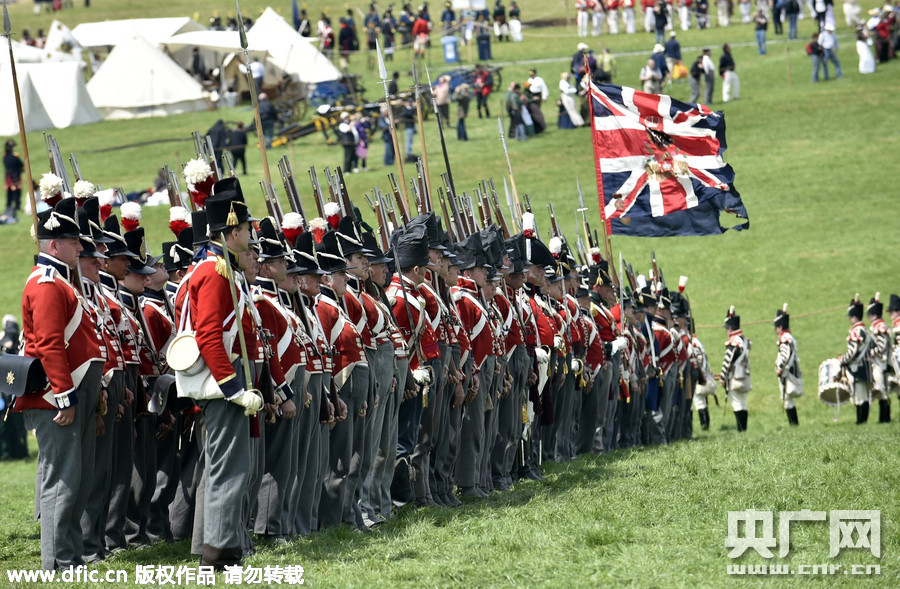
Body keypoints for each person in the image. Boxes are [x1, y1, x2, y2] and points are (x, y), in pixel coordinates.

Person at [17, 197, 105, 570]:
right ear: (53, 245)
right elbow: (51, 343)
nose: (80, 247)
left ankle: (72, 553)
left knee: (78, 479)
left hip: (72, 389)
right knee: (62, 480)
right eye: (73, 242)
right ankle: (57, 560)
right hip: (57, 396)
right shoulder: (48, 283)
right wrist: (65, 398)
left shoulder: (62, 282)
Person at [718, 306, 751, 432]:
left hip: (735, 377)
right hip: (745, 376)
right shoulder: (745, 341)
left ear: (730, 328)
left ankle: (741, 430)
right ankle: (744, 430)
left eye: (727, 328)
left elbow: (728, 361)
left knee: (737, 403)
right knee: (742, 403)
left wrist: (722, 378)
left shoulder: (733, 342)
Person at [840, 295, 871, 424]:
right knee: (863, 395)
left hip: (857, 367)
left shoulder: (855, 331)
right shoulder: (865, 330)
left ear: (854, 316)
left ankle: (861, 421)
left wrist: (842, 360)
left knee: (860, 396)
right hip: (866, 366)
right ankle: (862, 420)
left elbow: (852, 352)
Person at [773, 305, 801, 426]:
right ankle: (793, 424)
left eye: (776, 328)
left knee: (787, 400)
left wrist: (779, 368)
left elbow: (784, 355)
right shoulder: (789, 337)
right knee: (788, 401)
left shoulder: (784, 338)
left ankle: (793, 424)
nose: (775, 330)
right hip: (790, 371)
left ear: (780, 327)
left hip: (786, 373)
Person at [866, 294, 891, 422]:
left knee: (882, 390)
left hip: (880, 362)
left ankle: (885, 418)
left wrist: (871, 353)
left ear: (873, 314)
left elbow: (882, 346)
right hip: (881, 362)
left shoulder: (879, 328)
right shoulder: (879, 326)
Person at [4, 139, 23, 221]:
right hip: (15, 176)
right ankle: (16, 206)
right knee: (16, 193)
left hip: (8, 176)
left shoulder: (5, 157)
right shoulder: (15, 157)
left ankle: (9, 206)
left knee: (9, 194)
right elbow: (20, 165)